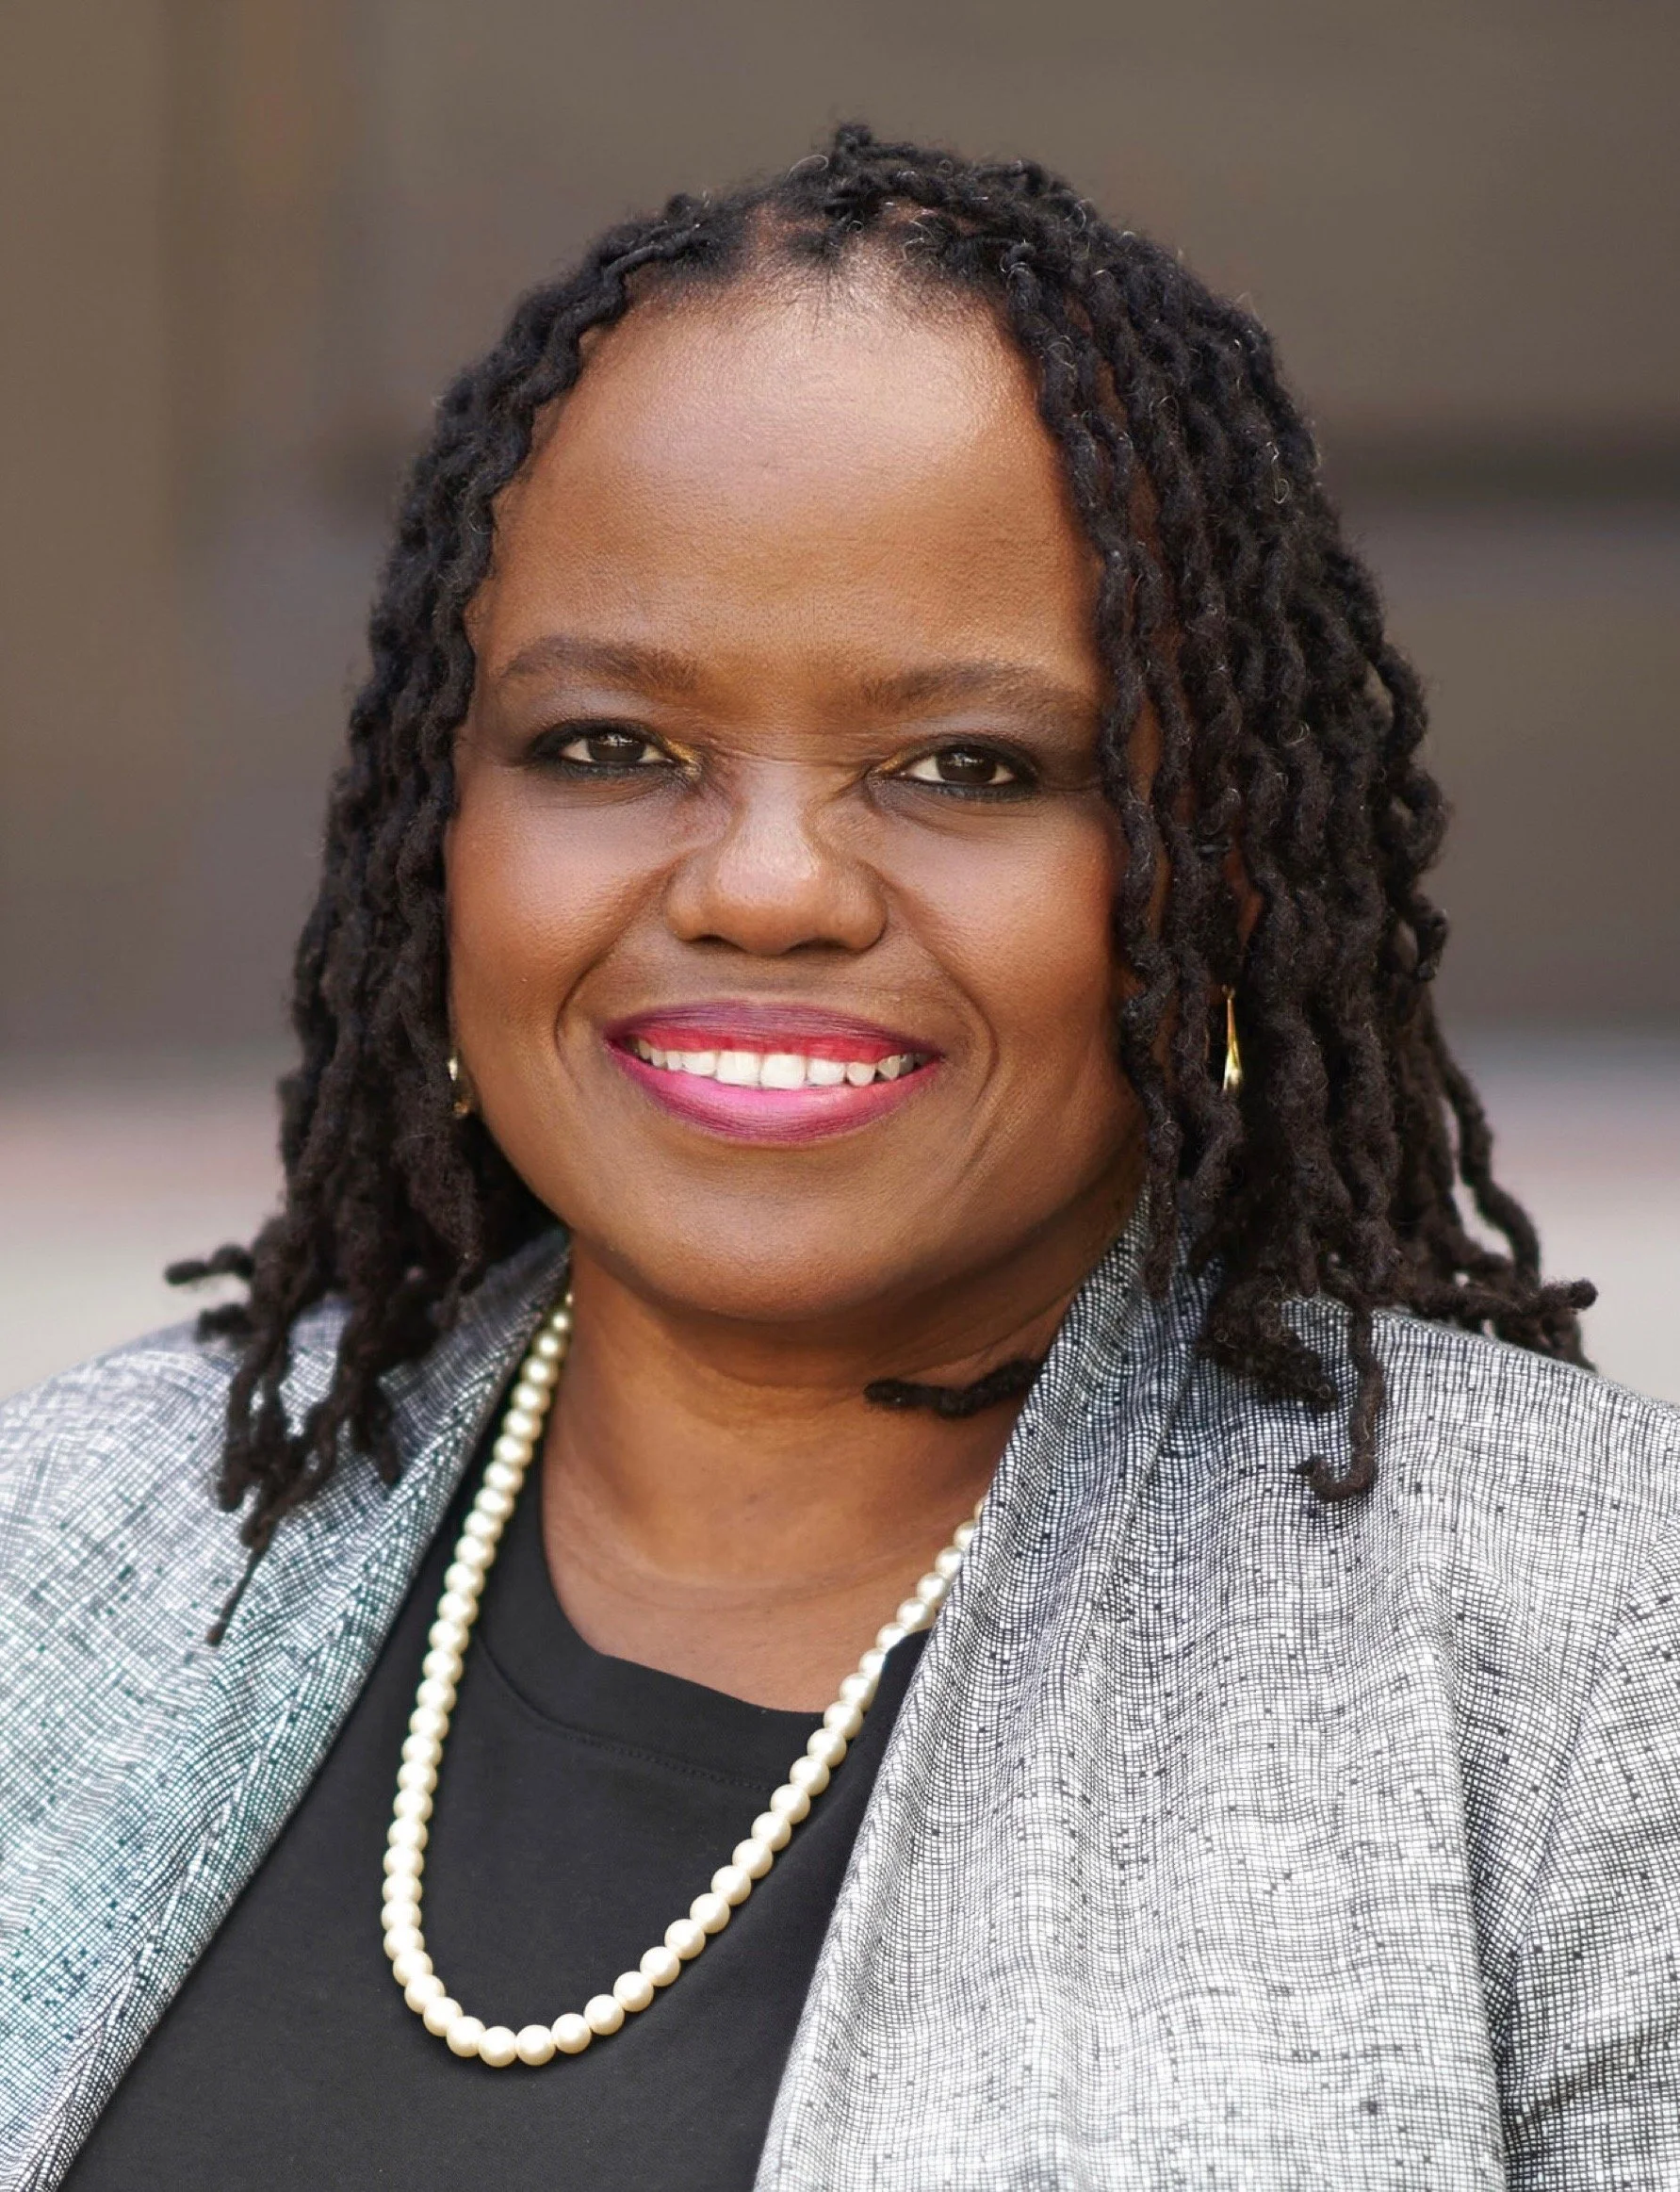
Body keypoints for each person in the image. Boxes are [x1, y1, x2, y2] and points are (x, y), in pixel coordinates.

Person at [2, 124, 1674, 2192]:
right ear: (440, 850)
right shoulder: (75, 1547)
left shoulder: (1597, 1658)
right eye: (609, 746)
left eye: (967, 767)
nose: (770, 886)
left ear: (1214, 883)